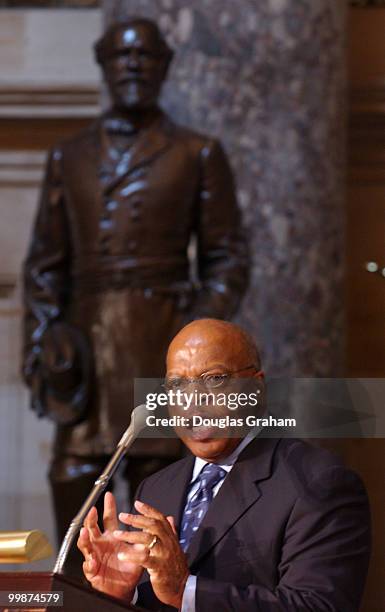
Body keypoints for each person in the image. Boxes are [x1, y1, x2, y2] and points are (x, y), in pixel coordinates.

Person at [22, 18, 249, 573]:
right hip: (88, 347)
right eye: (122, 58)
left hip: (161, 339)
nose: (133, 67)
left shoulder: (197, 152)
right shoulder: (67, 156)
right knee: (75, 478)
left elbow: (228, 258)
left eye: (146, 57)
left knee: (161, 490)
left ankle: (160, 598)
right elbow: (44, 266)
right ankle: (76, 597)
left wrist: (195, 342)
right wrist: (45, 336)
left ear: (165, 68)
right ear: (103, 66)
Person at [77, 319, 371, 612]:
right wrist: (123, 596)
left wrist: (186, 590)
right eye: (177, 384)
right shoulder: (156, 488)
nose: (193, 400)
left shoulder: (318, 483)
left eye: (214, 379)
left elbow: (317, 606)